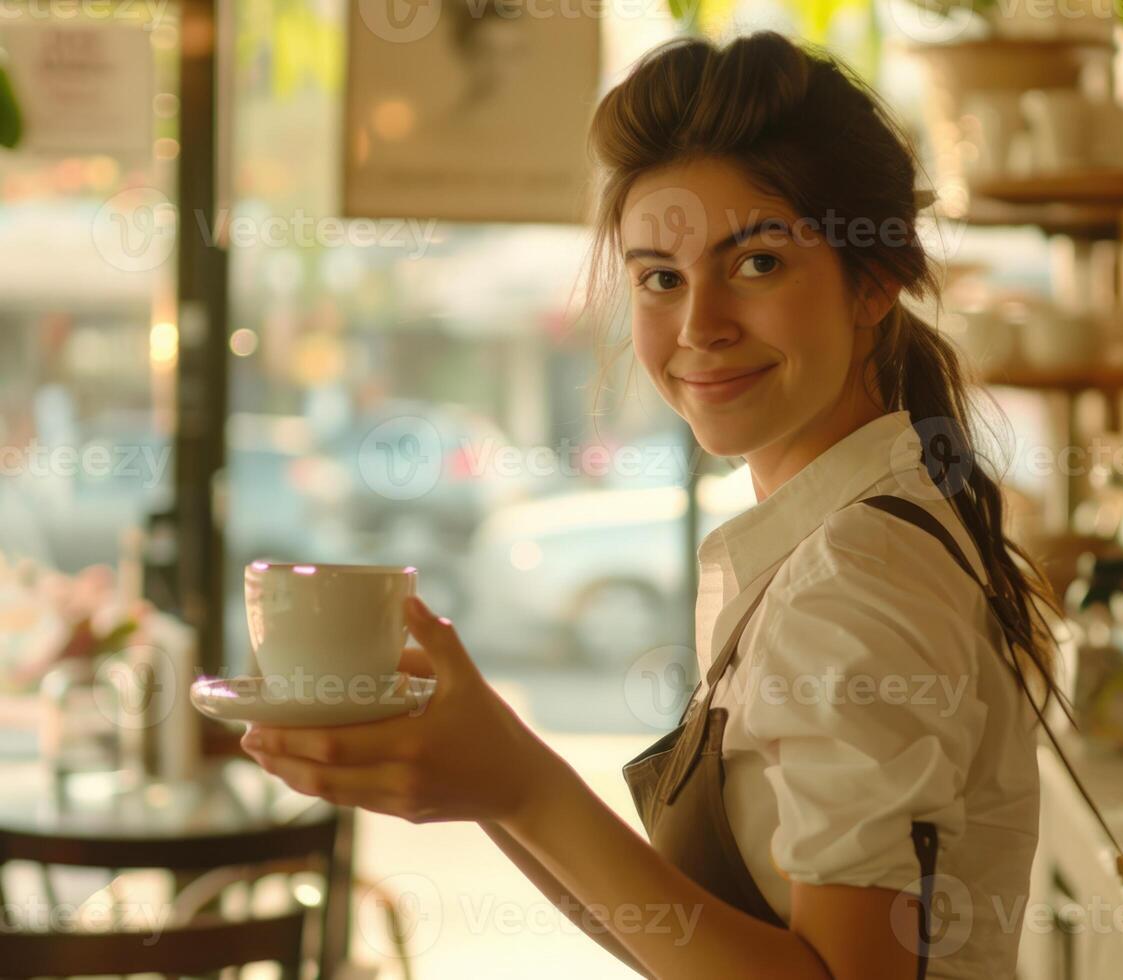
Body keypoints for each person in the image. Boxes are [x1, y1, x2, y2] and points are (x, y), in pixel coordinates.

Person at [242, 31, 1072, 979]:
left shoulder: (855, 581)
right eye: (660, 279)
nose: (699, 325)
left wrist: (523, 784)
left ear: (873, 279)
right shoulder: (836, 540)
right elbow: (686, 938)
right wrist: (483, 775)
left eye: (757, 263)